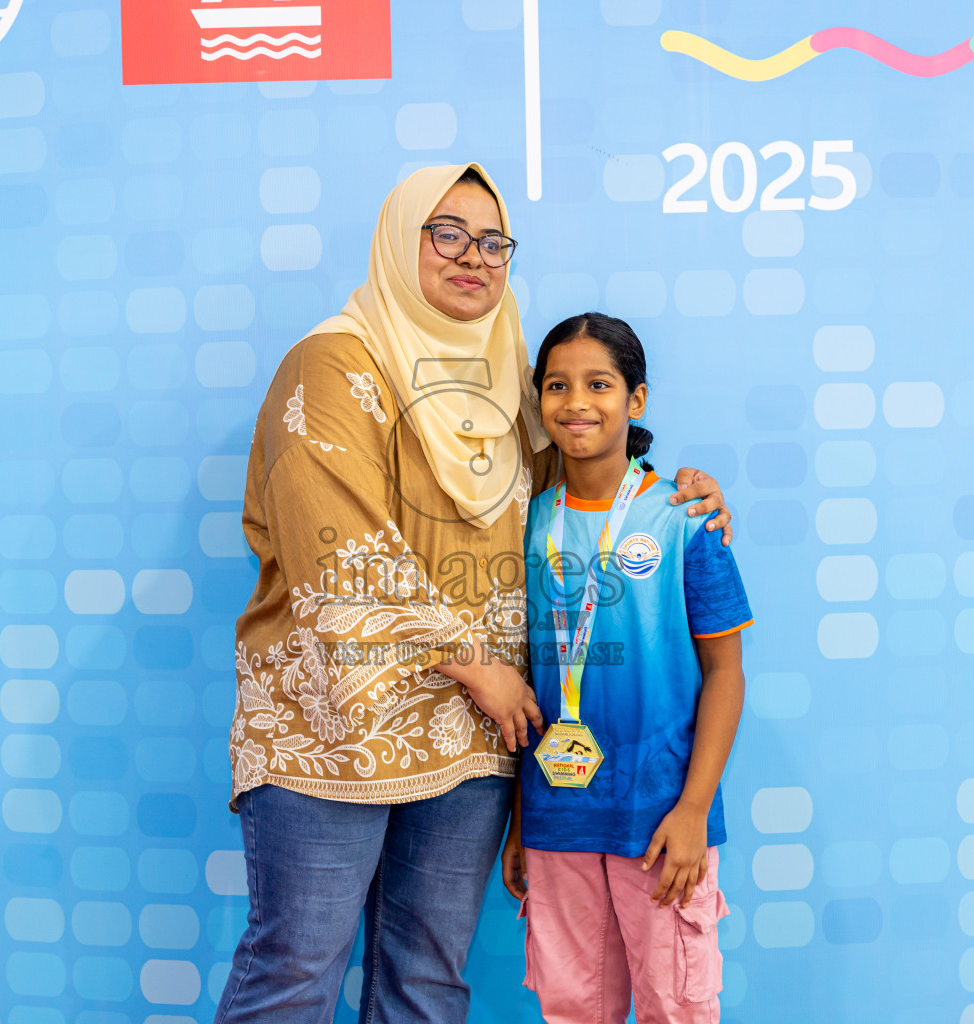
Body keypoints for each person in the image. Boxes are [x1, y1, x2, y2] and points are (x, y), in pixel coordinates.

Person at [218, 166, 734, 1024]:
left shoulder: (507, 382)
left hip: (470, 746)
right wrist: (476, 666)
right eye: (446, 233)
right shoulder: (333, 365)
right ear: (399, 239)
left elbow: (580, 504)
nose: (474, 257)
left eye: (493, 242)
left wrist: (685, 493)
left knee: (427, 979)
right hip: (335, 736)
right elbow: (336, 551)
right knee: (296, 970)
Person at [502, 313, 752, 1024]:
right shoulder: (525, 523)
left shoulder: (684, 516)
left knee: (678, 1008)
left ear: (635, 401)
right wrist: (522, 821)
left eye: (599, 384)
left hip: (660, 820)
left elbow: (725, 674)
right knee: (572, 1007)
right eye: (557, 385)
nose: (576, 402)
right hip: (558, 817)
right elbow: (531, 679)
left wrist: (695, 811)